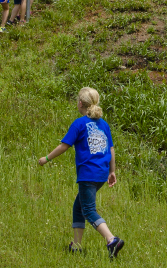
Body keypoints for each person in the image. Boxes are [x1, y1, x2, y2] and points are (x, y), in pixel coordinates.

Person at [38, 87, 124, 259]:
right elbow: (111, 149)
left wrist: (46, 158)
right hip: (101, 173)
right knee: (78, 207)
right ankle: (76, 246)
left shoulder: (79, 123)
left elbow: (64, 145)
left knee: (89, 210)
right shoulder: (103, 124)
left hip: (88, 174)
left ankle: (111, 239)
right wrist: (112, 171)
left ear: (80, 103)